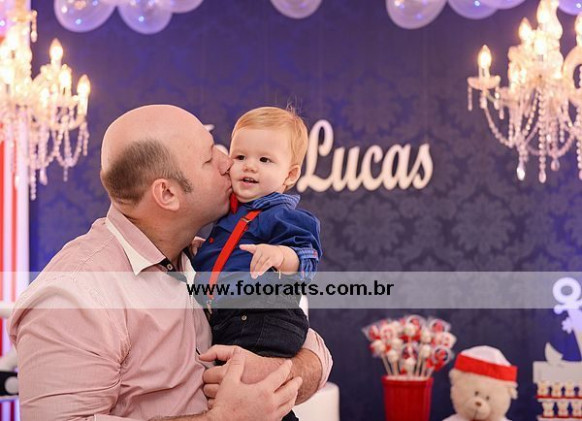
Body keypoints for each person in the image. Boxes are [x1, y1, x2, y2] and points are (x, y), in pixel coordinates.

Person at [9, 105, 332, 421]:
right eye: (209, 157)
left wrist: (278, 371)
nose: (228, 163)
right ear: (167, 194)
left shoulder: (203, 253)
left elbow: (314, 352)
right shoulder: (72, 297)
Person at [192, 107, 322, 421]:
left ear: (289, 175)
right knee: (247, 396)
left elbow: (308, 257)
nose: (250, 166)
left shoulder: (280, 214)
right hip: (232, 319)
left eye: (265, 160)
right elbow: (224, 258)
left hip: (264, 317)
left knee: (253, 391)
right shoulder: (228, 212)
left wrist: (281, 256)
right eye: (240, 157)